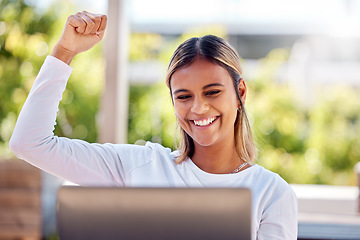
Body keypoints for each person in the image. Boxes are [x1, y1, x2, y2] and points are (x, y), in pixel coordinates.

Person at [9, 11, 297, 239]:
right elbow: (29, 143)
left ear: (241, 93)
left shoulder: (272, 193)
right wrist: (64, 52)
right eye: (183, 97)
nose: (198, 108)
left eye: (212, 92)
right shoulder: (141, 166)